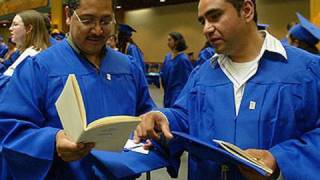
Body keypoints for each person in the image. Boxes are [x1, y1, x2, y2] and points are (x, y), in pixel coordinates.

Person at [135, 0, 320, 179]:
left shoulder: (307, 71)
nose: (206, 28)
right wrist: (165, 118)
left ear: (247, 10)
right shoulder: (203, 74)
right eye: (203, 21)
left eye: (215, 16)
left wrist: (280, 159)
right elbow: (185, 115)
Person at [0, 0, 173, 179]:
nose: (98, 30)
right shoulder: (38, 67)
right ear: (68, 15)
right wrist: (52, 141)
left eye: (106, 21)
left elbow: (146, 112)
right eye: (87, 20)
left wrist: (151, 121)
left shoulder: (128, 67)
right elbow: (10, 127)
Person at [0, 10, 50, 91]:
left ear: (29, 28)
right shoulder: (30, 52)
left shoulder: (32, 56)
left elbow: (8, 86)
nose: (10, 28)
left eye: (15, 24)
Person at [160, 32, 193, 108]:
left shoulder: (183, 59)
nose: (167, 43)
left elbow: (188, 79)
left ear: (177, 41)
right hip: (168, 92)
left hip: (178, 93)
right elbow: (163, 73)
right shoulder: (168, 57)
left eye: (170, 40)